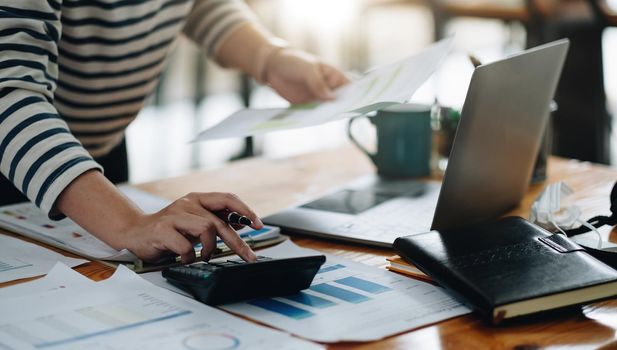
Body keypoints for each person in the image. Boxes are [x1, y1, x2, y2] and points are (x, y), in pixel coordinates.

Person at [0, 1, 349, 263]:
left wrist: (270, 58)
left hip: (94, 164)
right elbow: (6, 96)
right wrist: (128, 223)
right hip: (19, 154)